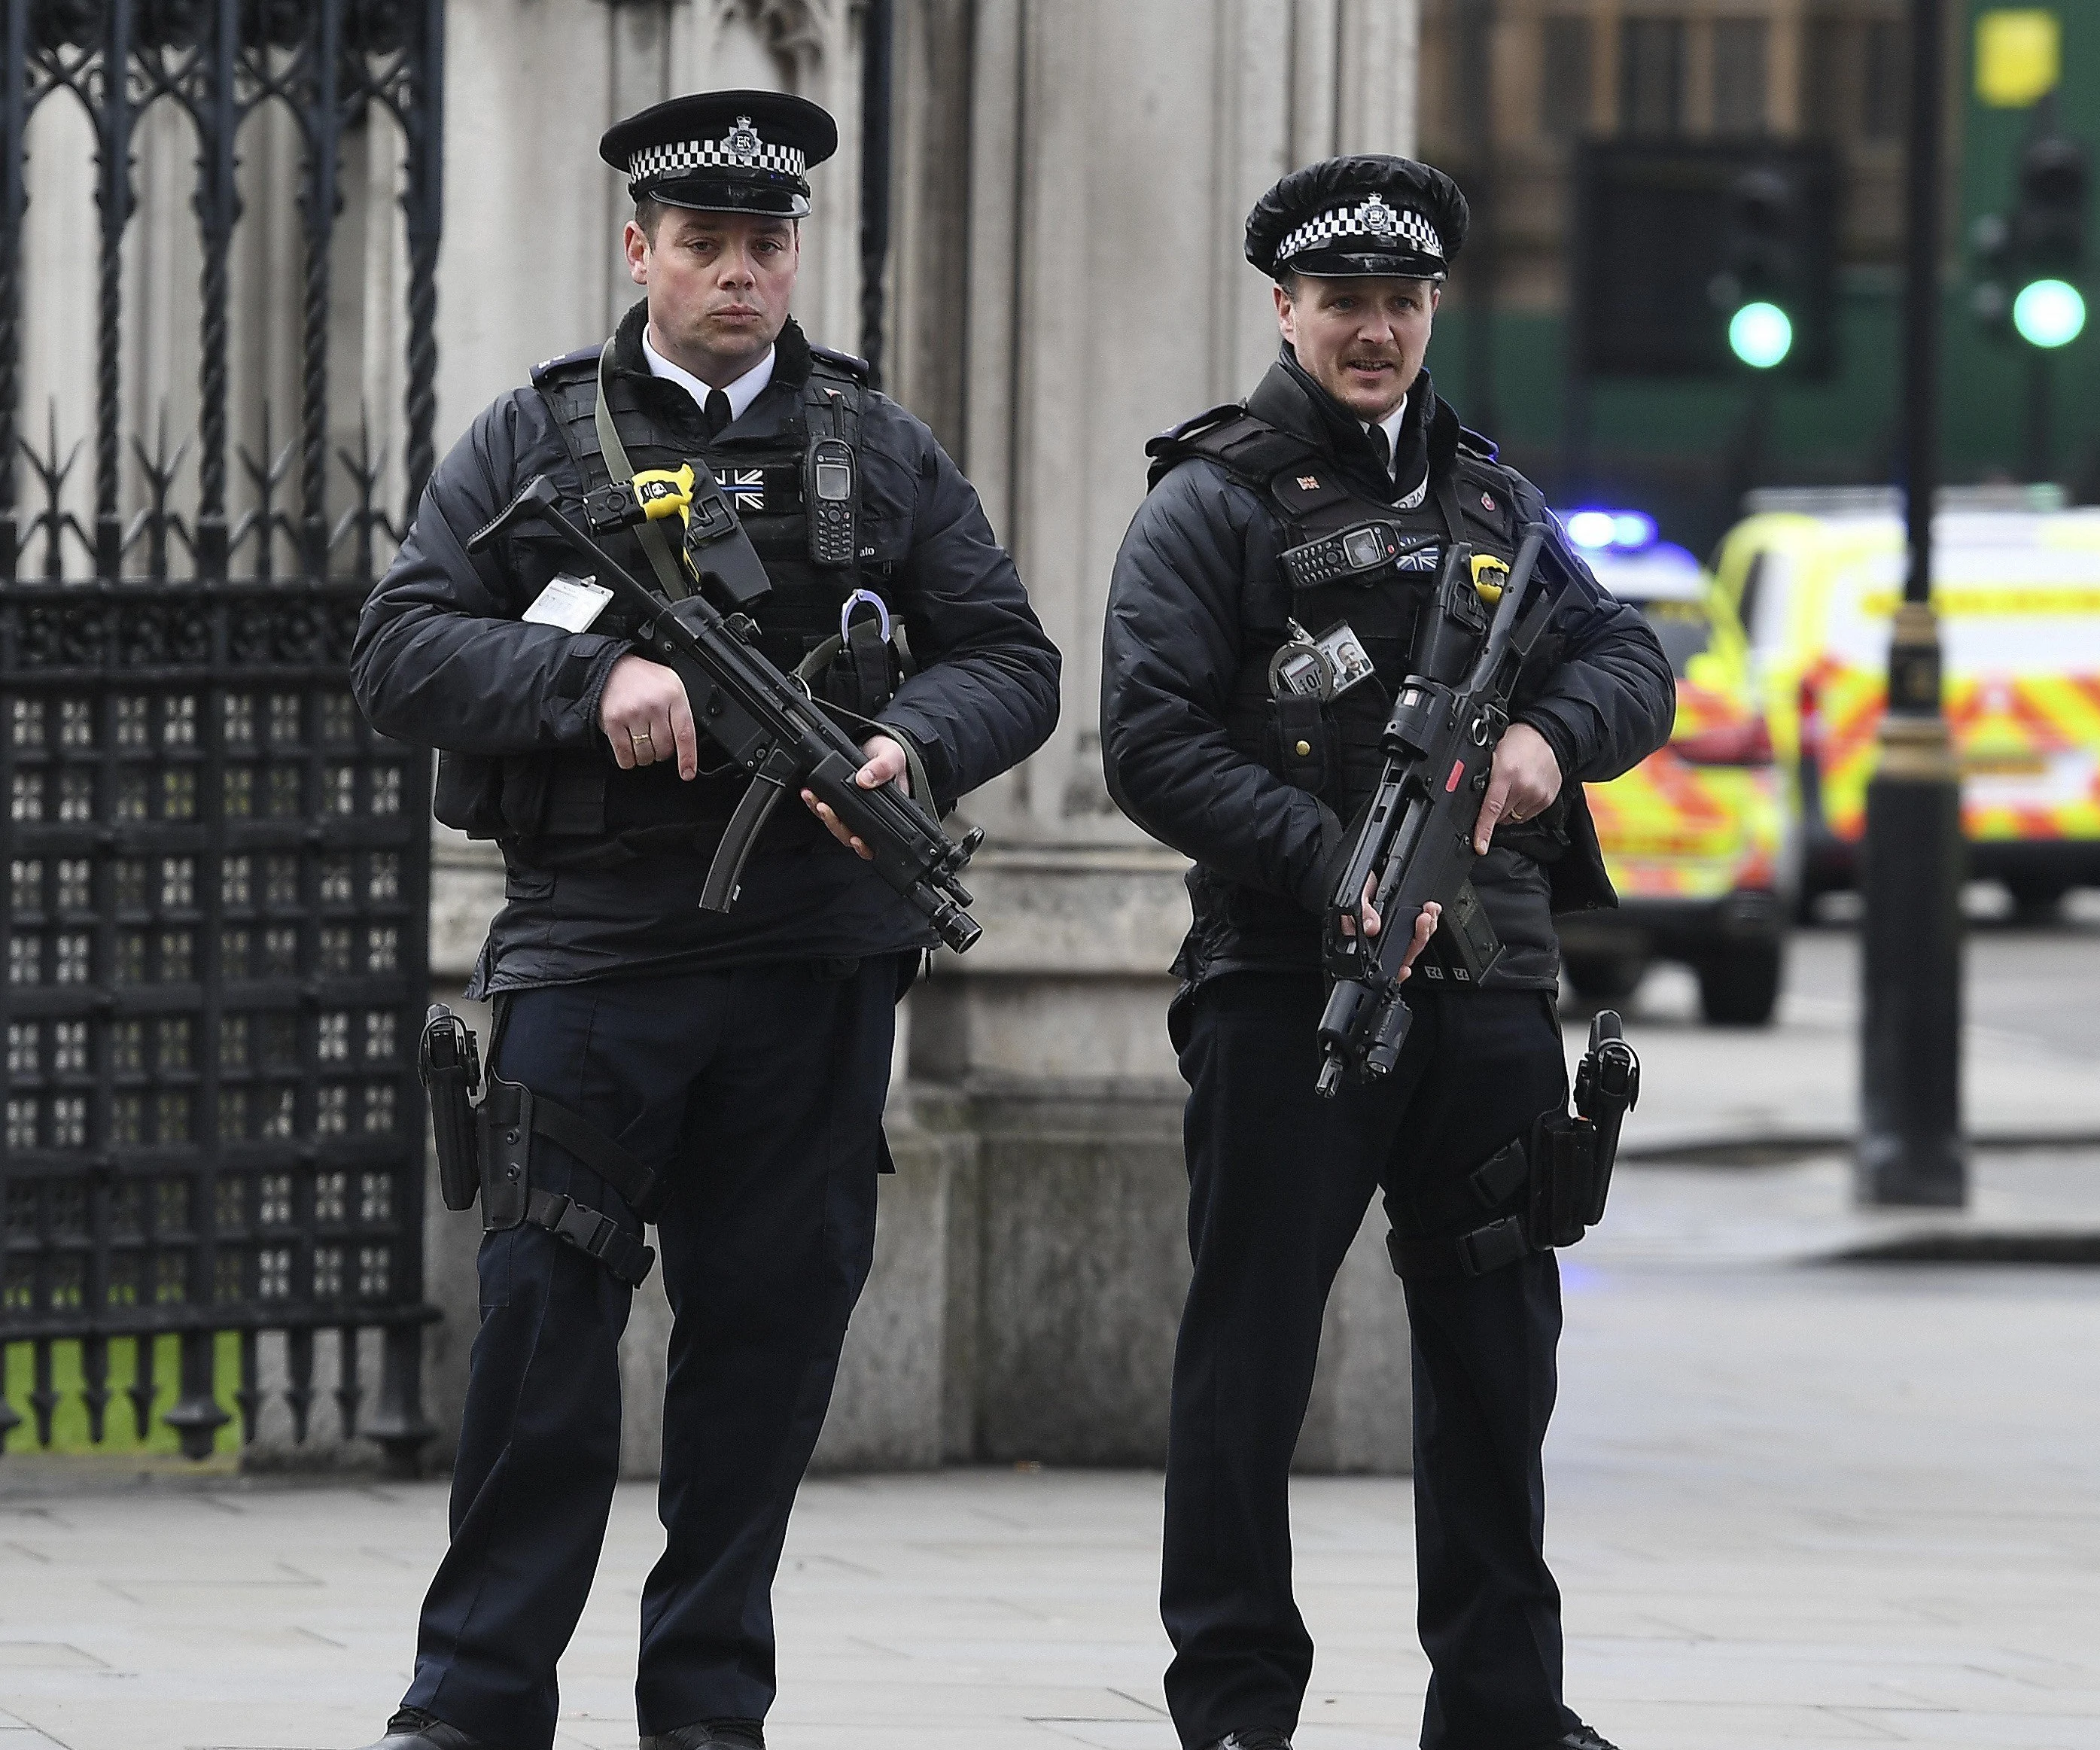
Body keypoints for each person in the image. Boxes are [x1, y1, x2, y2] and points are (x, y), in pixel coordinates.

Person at [344, 90, 1059, 1750]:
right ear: (641, 250)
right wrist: (599, 676)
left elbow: (1011, 658)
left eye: (766, 244)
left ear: (795, 253)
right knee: (539, 1346)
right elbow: (398, 648)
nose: (739, 273)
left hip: (809, 964)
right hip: (591, 953)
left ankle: (708, 1712)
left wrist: (910, 742)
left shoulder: (878, 447)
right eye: (705, 244)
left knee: (764, 1354)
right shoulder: (533, 440)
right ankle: (472, 1705)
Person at [1103, 154, 1674, 1750]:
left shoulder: (1495, 508)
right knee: (1251, 1359)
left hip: (1490, 986)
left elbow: (1634, 663)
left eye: (1402, 302)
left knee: (1498, 1361)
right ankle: (1232, 1704)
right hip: (1291, 990)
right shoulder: (1209, 501)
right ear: (1285, 309)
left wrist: (1551, 742)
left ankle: (1502, 1708)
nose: (1374, 330)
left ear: (1435, 311)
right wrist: (1329, 870)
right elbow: (1147, 744)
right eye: (1343, 301)